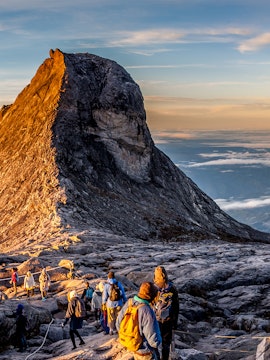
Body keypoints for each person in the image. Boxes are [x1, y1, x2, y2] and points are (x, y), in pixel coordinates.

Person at [116, 282, 161, 360]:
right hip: (146, 351)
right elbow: (153, 341)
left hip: (133, 347)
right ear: (151, 296)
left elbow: (118, 324)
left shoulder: (129, 302)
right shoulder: (147, 311)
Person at [153, 266, 179, 360]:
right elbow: (176, 307)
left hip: (156, 320)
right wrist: (175, 323)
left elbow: (151, 304)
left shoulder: (154, 288)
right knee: (166, 344)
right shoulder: (172, 288)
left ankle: (156, 357)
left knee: (154, 342)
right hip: (168, 320)